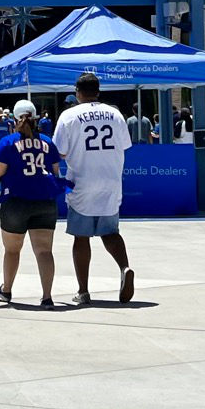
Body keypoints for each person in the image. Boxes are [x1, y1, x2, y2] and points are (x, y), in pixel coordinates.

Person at [52, 72, 135, 305]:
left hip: (82, 182)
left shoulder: (69, 116)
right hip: (110, 181)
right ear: (98, 91)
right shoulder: (115, 114)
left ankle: (83, 290)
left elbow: (59, 152)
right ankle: (124, 267)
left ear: (77, 92)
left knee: (81, 237)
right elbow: (125, 146)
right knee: (111, 232)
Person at [0, 99, 65, 310]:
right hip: (45, 200)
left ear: (13, 119)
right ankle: (47, 297)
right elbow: (56, 171)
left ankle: (7, 290)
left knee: (12, 250)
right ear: (36, 118)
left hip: (16, 201)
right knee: (44, 251)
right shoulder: (48, 142)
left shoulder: (7, 142)